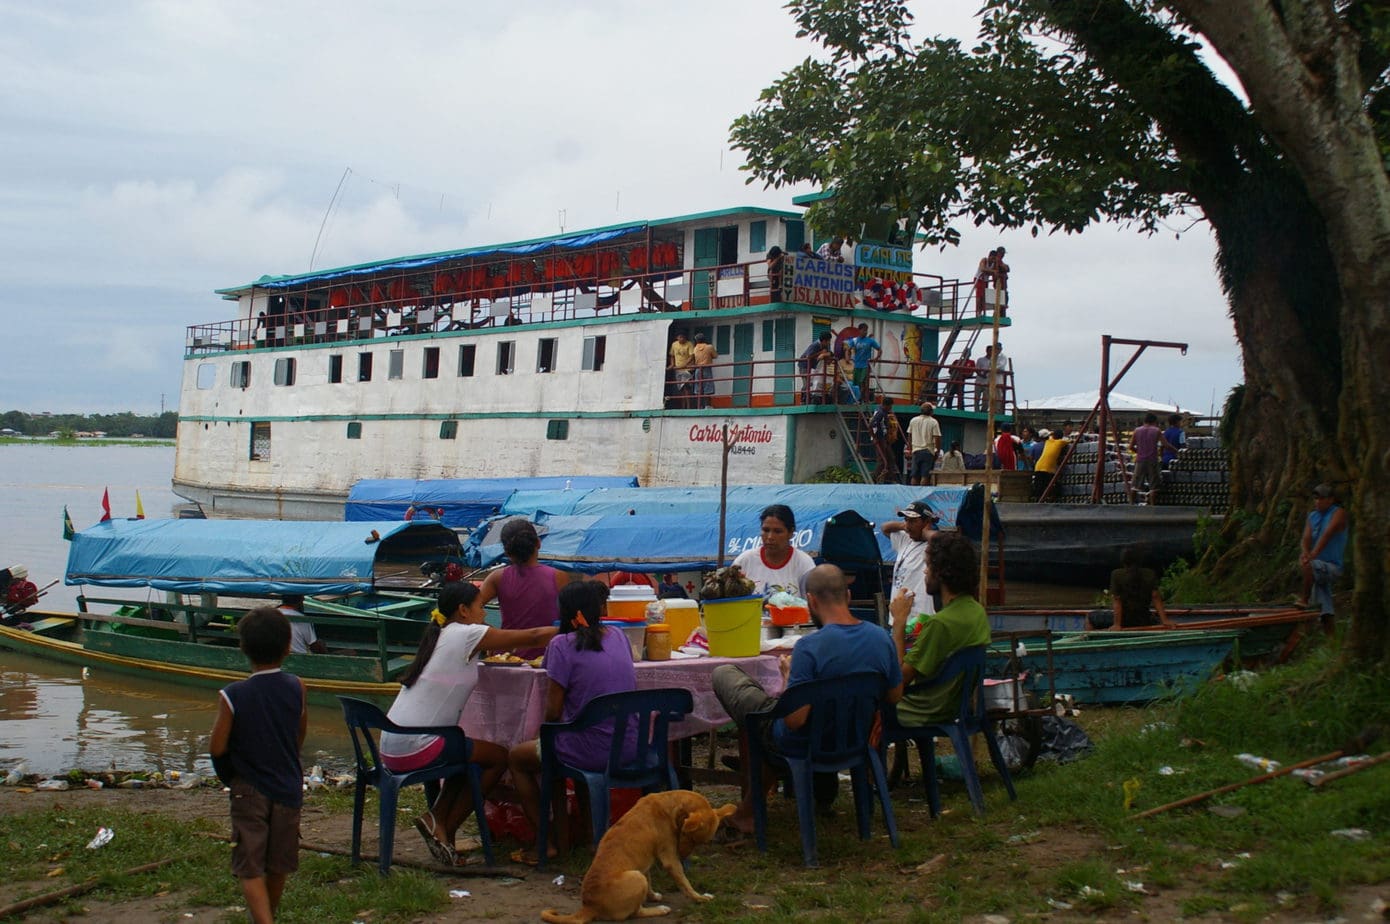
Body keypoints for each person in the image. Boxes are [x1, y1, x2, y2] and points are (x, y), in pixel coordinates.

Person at [712, 564, 903, 834]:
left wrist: (789, 678)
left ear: (811, 601)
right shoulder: (880, 638)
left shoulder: (809, 647)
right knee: (767, 716)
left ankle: (749, 812)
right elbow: (895, 695)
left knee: (727, 678)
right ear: (847, 596)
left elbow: (794, 720)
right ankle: (779, 804)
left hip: (803, 744)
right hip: (856, 739)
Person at [380, 582, 557, 865]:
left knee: (469, 754)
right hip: (418, 745)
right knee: (498, 757)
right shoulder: (465, 633)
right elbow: (534, 636)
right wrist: (572, 629)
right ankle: (442, 824)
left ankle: (440, 826)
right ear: (463, 611)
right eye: (481, 607)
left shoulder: (440, 636)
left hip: (392, 744)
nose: (485, 614)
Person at [507, 580, 638, 862]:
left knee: (518, 757)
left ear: (564, 612)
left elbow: (553, 711)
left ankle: (548, 840)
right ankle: (591, 833)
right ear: (599, 609)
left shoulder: (561, 645)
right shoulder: (618, 636)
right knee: (576, 735)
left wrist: (541, 734)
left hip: (589, 749)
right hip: (629, 746)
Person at [209, 607, 308, 924]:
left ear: (243, 648)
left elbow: (217, 746)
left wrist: (231, 773)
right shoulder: (297, 686)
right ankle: (268, 917)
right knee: (279, 862)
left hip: (248, 787)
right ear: (287, 646)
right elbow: (298, 734)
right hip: (287, 785)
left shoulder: (233, 695)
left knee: (250, 863)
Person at [891, 532, 992, 724]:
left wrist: (899, 622)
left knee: (865, 705)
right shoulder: (977, 611)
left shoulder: (940, 624)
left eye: (928, 566)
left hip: (922, 709)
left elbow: (898, 681)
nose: (925, 572)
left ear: (941, 573)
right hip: (953, 705)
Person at [478, 519, 571, 659]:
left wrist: (494, 635)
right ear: (538, 543)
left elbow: (467, 612)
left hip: (506, 659)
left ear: (506, 551)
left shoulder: (496, 578)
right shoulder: (559, 577)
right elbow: (572, 621)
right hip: (549, 659)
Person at [733, 504, 817, 599]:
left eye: (777, 531)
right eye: (766, 530)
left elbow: (812, 605)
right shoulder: (744, 561)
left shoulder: (804, 564)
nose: (770, 537)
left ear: (791, 533)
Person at [882, 501, 939, 632]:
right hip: (898, 617)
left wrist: (925, 532)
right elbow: (885, 527)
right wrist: (906, 526)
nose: (908, 525)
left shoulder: (932, 546)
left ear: (926, 523)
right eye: (907, 520)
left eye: (914, 521)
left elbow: (938, 538)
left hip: (919, 619)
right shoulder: (906, 540)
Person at [1299, 483, 1348, 634]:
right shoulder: (1312, 516)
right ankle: (1330, 637)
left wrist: (1312, 556)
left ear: (1331, 500)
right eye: (1316, 499)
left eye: (1322, 499)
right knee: (1324, 602)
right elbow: (1305, 538)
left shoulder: (1338, 513)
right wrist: (1306, 552)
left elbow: (1328, 534)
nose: (1318, 502)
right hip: (1318, 565)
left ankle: (1304, 600)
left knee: (1309, 567)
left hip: (1332, 566)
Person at [1108, 546, 1171, 628]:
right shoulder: (1150, 573)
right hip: (1144, 619)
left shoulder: (1116, 574)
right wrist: (1164, 620)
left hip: (1125, 620)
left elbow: (1117, 600)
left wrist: (1117, 624)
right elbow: (1156, 597)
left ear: (1123, 561)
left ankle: (1088, 640)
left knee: (1090, 617)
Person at [1129, 413, 1179, 503]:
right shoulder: (1156, 430)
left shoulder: (1137, 430)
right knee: (1154, 487)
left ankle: (1131, 505)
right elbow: (1166, 445)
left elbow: (1131, 447)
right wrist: (1177, 451)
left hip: (1140, 460)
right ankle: (1152, 506)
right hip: (1152, 460)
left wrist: (1139, 452)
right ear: (1154, 421)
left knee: (1135, 486)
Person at [906, 403, 942, 485]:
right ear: (931, 412)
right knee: (925, 476)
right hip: (928, 451)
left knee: (914, 475)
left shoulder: (913, 420)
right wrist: (937, 451)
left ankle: (913, 493)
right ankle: (923, 493)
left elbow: (909, 435)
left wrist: (910, 448)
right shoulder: (933, 422)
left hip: (916, 450)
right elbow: (937, 437)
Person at [846, 323, 881, 402]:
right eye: (864, 330)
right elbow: (848, 349)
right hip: (857, 365)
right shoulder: (855, 340)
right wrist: (848, 357)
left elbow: (879, 349)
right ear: (859, 330)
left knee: (864, 382)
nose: (865, 332)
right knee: (858, 384)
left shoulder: (870, 341)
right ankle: (861, 398)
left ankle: (863, 399)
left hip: (866, 365)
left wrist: (876, 359)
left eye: (866, 330)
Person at [870, 396, 901, 484]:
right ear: (887, 405)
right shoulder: (880, 413)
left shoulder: (883, 412)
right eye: (890, 406)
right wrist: (875, 438)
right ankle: (874, 478)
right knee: (882, 460)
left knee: (891, 457)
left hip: (883, 438)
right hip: (879, 439)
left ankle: (889, 478)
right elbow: (871, 425)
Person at [798, 331, 835, 404]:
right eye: (828, 341)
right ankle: (803, 400)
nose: (829, 343)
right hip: (804, 365)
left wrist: (826, 354)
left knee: (812, 382)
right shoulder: (815, 345)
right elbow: (808, 356)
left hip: (813, 367)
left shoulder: (825, 346)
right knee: (806, 383)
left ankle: (810, 399)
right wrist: (820, 353)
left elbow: (830, 353)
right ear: (824, 341)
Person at [1033, 429, 1069, 497]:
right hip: (1047, 468)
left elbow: (1051, 436)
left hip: (1038, 466)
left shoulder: (1048, 441)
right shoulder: (1060, 442)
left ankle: (1038, 502)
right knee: (1048, 487)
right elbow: (1070, 441)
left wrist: (1052, 433)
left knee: (1038, 487)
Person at [667, 331, 695, 409]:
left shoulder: (689, 344)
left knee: (686, 388)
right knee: (681, 389)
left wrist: (685, 364)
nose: (681, 339)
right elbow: (672, 355)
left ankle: (688, 407)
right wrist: (672, 364)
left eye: (683, 337)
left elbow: (691, 356)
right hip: (678, 369)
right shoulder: (674, 344)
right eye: (680, 337)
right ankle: (683, 407)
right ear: (677, 338)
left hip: (687, 370)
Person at [692, 332, 718, 408]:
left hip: (698, 369)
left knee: (698, 388)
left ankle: (699, 406)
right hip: (706, 368)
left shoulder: (695, 348)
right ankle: (707, 405)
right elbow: (715, 356)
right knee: (708, 387)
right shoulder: (709, 347)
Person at [973, 249, 995, 314]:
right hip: (979, 279)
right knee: (979, 296)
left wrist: (992, 272)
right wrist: (992, 271)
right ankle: (977, 312)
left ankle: (981, 312)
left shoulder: (993, 264)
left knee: (983, 297)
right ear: (989, 256)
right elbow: (982, 269)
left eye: (994, 259)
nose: (993, 260)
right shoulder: (984, 260)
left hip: (985, 281)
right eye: (992, 258)